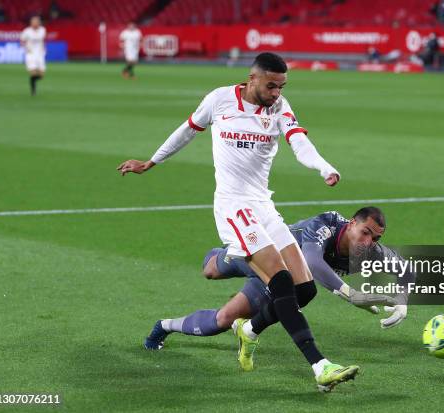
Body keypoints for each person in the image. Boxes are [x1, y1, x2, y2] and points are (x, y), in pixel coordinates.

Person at [117, 52, 359, 392]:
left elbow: (299, 141)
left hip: (263, 206)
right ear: (253, 79)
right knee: (281, 283)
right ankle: (320, 366)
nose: (276, 93)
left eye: (282, 87)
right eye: (271, 86)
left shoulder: (279, 108)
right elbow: (187, 130)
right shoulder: (219, 100)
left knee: (304, 290)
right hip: (233, 207)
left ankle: (248, 330)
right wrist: (150, 162)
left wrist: (323, 166)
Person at [143, 207, 412, 364]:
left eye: (375, 238)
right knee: (211, 270)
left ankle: (164, 326)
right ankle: (223, 250)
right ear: (352, 223)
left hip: (277, 283)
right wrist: (350, 294)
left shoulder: (372, 251)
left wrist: (402, 302)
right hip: (260, 255)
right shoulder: (327, 224)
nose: (368, 242)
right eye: (365, 232)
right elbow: (312, 262)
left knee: (222, 320)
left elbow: (406, 270)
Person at [20, 16, 46, 96]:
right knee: (33, 73)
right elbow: (22, 41)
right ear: (31, 23)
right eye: (33, 22)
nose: (35, 23)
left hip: (40, 55)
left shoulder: (43, 30)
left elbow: (42, 40)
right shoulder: (26, 31)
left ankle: (33, 83)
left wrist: (43, 49)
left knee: (41, 75)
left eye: (37, 22)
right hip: (31, 55)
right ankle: (33, 91)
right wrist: (26, 48)